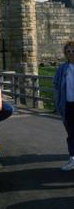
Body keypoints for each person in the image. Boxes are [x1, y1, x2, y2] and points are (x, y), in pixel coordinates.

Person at [54, 40, 74, 171]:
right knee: (71, 133)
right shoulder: (62, 68)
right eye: (68, 52)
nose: (71, 53)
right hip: (68, 105)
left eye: (73, 51)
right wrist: (58, 103)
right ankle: (72, 158)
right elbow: (56, 85)